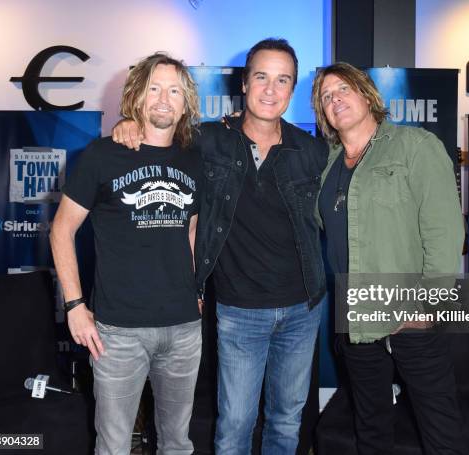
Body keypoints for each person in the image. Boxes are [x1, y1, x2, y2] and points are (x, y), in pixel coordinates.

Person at [112, 39, 328, 455]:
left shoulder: (312, 150)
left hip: (303, 309)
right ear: (244, 84)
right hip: (239, 311)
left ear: (293, 88)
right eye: (261, 77)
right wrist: (129, 123)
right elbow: (160, 129)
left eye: (282, 80)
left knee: (287, 422)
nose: (270, 88)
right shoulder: (208, 141)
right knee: (234, 426)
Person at [51, 53, 203, 455]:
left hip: (184, 329)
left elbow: (191, 229)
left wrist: (197, 290)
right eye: (154, 88)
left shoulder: (195, 158)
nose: (163, 99)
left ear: (186, 102)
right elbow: (61, 229)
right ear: (137, 96)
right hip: (118, 333)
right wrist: (74, 305)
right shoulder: (102, 155)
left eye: (174, 90)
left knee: (178, 444)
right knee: (114, 445)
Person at [312, 62, 467, 454]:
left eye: (343, 89)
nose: (336, 99)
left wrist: (427, 305)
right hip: (357, 316)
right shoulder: (327, 164)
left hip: (409, 313)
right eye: (327, 97)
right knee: (370, 425)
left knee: (439, 426)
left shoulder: (415, 146)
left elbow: (446, 232)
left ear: (367, 95)